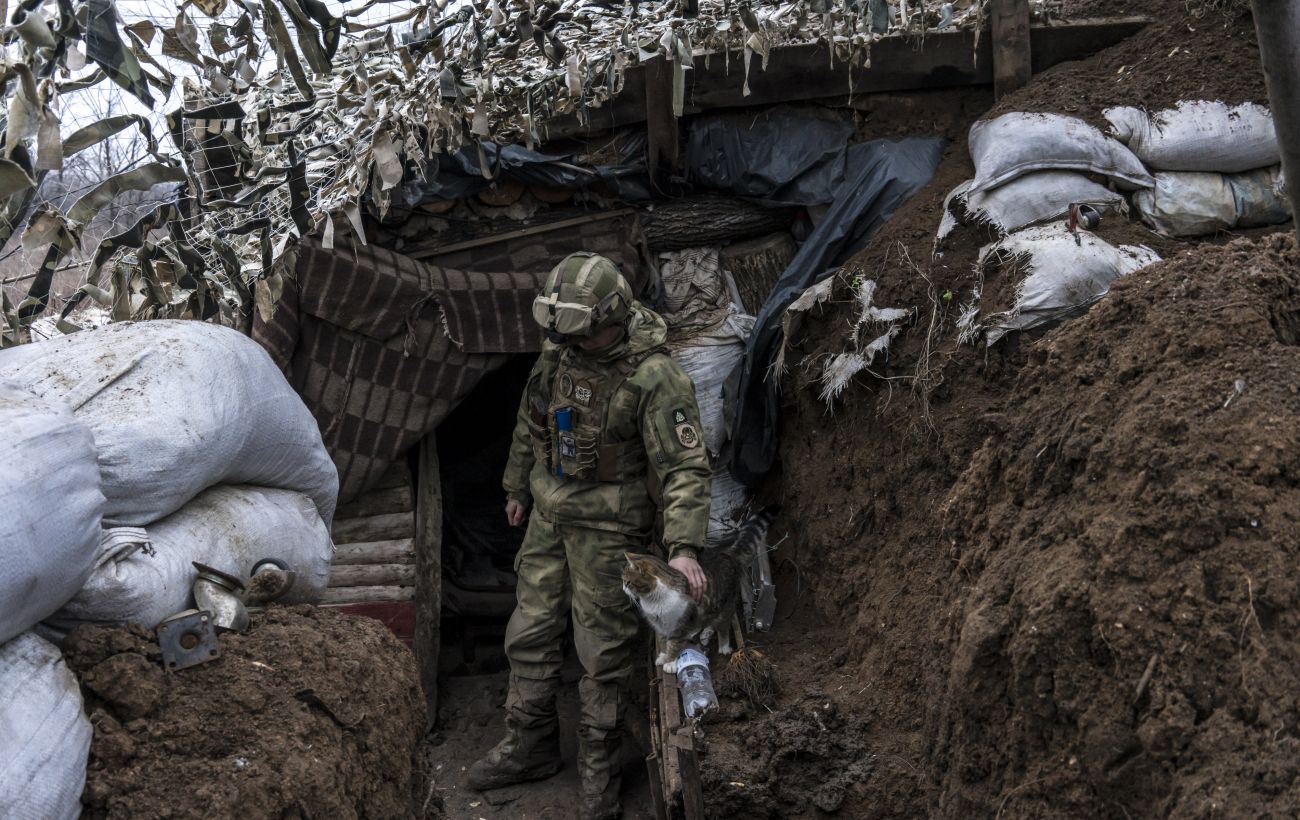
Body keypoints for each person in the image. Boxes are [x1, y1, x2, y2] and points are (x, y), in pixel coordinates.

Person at [467, 252, 712, 820]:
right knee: (528, 632)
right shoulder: (560, 350)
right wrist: (517, 489)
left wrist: (683, 548)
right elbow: (532, 422)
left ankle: (598, 776)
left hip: (611, 531)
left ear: (613, 316)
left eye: (583, 333)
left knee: (603, 654)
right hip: (550, 521)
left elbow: (684, 468)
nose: (570, 342)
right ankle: (528, 746)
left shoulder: (656, 376)